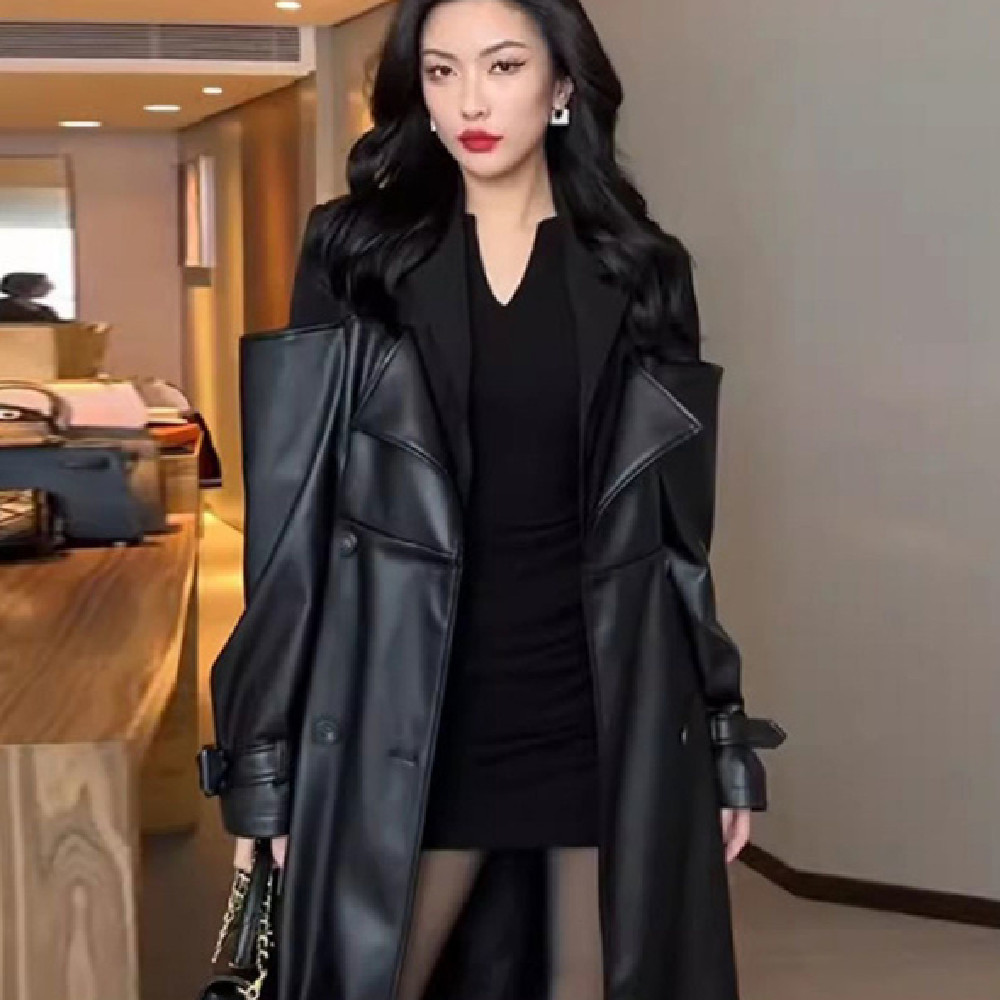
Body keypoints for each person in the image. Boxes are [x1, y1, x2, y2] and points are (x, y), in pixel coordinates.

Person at [201, 2, 786, 999]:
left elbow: (680, 543)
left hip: (593, 706)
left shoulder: (641, 269)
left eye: (503, 66)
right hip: (405, 712)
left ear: (563, 85)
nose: (469, 101)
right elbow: (293, 528)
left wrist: (722, 733)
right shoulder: (355, 254)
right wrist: (265, 757)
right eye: (441, 72)